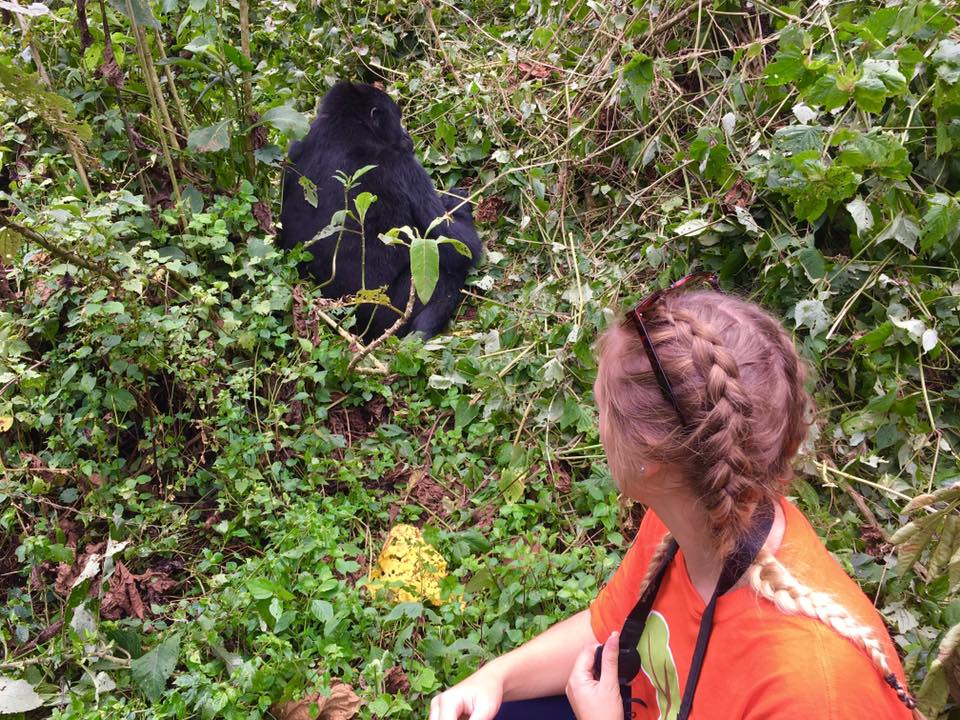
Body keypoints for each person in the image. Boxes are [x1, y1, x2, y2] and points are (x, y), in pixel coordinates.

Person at [430, 274, 922, 720]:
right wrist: (493, 678)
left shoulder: (814, 692)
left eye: (602, 408)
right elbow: (607, 630)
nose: (597, 424)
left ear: (651, 459)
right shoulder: (688, 510)